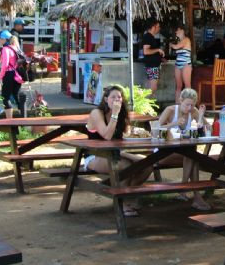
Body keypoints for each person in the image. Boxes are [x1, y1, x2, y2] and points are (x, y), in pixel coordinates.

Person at [85, 85, 152, 216]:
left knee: (147, 165)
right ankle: (123, 202)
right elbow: (107, 136)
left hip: (119, 153)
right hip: (95, 156)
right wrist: (115, 113)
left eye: (119, 97)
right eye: (113, 97)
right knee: (125, 166)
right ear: (106, 99)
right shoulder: (96, 113)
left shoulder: (122, 114)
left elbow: (126, 136)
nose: (117, 100)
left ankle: (126, 196)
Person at [157, 88, 211, 210]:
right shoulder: (170, 110)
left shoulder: (194, 111)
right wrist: (174, 124)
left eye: (192, 105)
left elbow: (207, 127)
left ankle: (186, 191)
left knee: (192, 156)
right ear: (180, 100)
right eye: (187, 104)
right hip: (164, 152)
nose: (189, 108)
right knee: (192, 156)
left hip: (183, 151)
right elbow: (156, 128)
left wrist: (201, 116)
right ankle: (192, 194)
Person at [0, 30, 23, 119]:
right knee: (16, 96)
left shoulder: (6, 49)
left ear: (4, 39)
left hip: (8, 74)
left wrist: (0, 76)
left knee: (5, 97)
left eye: (0, 39)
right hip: (17, 75)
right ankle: (23, 117)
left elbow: (5, 65)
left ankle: (9, 120)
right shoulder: (16, 47)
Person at [168, 24, 192, 103]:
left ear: (182, 30)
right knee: (178, 86)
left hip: (186, 64)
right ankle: (177, 105)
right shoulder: (179, 41)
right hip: (178, 64)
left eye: (178, 30)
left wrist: (171, 44)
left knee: (187, 85)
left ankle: (188, 103)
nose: (176, 31)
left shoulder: (186, 39)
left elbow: (176, 47)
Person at [141, 20, 164, 96]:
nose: (159, 28)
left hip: (153, 65)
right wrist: (158, 50)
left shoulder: (150, 37)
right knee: (152, 88)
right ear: (153, 27)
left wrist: (160, 58)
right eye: (158, 26)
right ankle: (145, 105)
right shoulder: (148, 37)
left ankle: (147, 105)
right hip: (152, 66)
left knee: (150, 87)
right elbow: (146, 51)